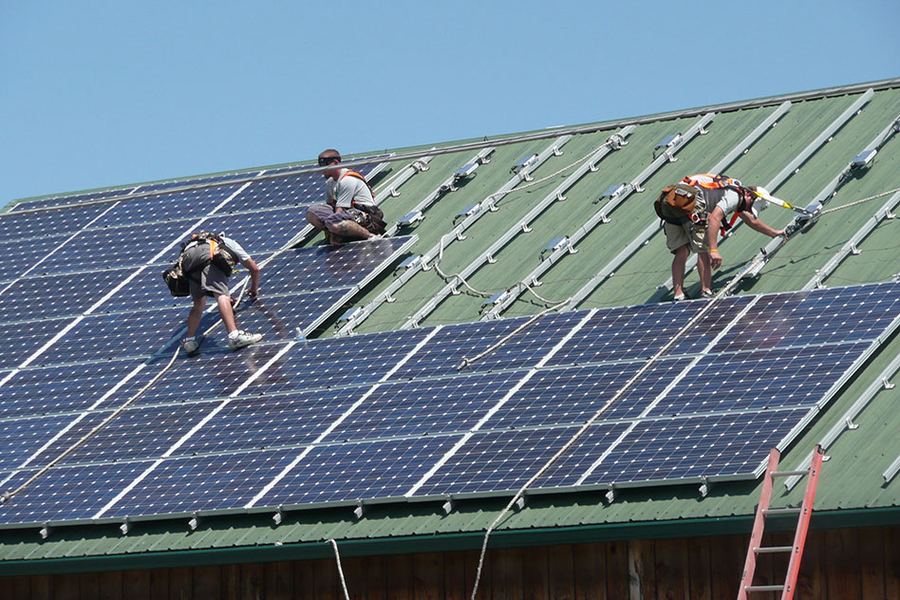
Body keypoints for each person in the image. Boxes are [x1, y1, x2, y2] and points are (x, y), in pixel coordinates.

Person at [663, 174, 785, 300]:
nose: (748, 208)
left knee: (681, 251)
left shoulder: (732, 189)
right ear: (749, 195)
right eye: (750, 205)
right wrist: (714, 250)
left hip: (671, 202)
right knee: (703, 248)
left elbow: (751, 220)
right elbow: (715, 217)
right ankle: (706, 290)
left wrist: (773, 233)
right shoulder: (735, 195)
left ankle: (678, 294)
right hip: (691, 201)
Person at [180, 233, 263, 355]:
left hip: (187, 257)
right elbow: (254, 269)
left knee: (198, 303)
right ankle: (234, 336)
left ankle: (189, 342)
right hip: (207, 254)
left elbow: (207, 281)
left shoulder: (199, 241)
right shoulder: (230, 243)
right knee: (221, 295)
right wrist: (254, 288)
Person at [305, 149, 386, 245]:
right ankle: (338, 231)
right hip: (344, 215)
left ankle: (370, 236)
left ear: (335, 163)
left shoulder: (347, 180)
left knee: (333, 222)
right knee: (312, 212)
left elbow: (340, 211)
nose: (322, 170)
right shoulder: (330, 183)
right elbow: (331, 207)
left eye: (325, 166)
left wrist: (333, 236)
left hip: (365, 215)